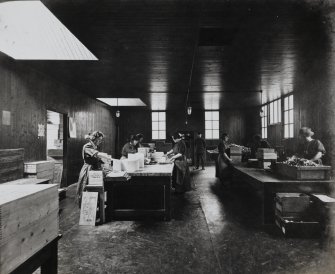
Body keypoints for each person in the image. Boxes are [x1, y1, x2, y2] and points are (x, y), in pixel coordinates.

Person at [76, 131, 110, 206]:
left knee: (96, 189)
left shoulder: (94, 146)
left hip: (94, 169)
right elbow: (97, 154)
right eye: (99, 140)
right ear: (95, 139)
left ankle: (95, 206)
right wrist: (107, 157)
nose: (100, 142)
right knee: (87, 188)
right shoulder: (87, 146)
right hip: (88, 170)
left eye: (101, 140)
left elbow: (97, 158)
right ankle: (87, 208)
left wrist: (104, 162)